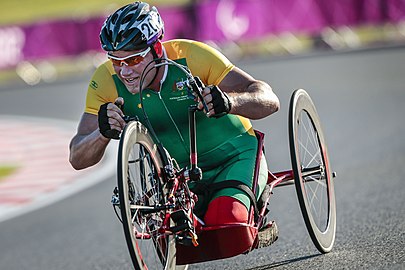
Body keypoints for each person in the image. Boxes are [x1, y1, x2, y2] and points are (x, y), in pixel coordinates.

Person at [69, 1, 280, 248]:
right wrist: (102, 133)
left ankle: (255, 213)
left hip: (233, 156)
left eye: (134, 60)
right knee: (183, 241)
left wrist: (229, 101)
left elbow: (269, 99)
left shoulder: (192, 57)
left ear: (157, 48)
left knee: (228, 225)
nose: (124, 72)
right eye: (116, 61)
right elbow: (77, 157)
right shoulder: (105, 81)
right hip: (179, 179)